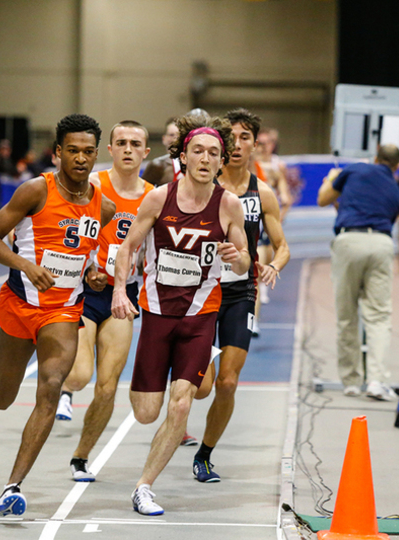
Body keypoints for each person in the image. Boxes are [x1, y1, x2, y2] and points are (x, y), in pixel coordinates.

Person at [110, 113, 249, 515]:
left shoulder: (229, 205)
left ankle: (144, 487)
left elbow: (243, 265)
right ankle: (200, 373)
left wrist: (234, 256)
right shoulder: (159, 198)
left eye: (214, 154)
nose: (206, 159)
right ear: (183, 156)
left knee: (182, 403)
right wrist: (121, 289)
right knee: (145, 412)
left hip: (200, 316)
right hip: (157, 314)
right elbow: (128, 248)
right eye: (198, 151)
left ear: (222, 161)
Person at [0, 114, 115, 517]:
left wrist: (92, 273)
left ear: (95, 156)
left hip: (62, 311)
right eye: (72, 150)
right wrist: (25, 265)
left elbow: (89, 255)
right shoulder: (34, 191)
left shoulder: (101, 207)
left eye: (88, 152)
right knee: (3, 398)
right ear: (58, 152)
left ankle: (12, 486)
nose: (80, 159)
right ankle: (8, 399)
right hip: (19, 307)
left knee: (52, 384)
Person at [190, 108, 290, 482]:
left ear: (255, 144)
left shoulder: (261, 193)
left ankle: (204, 455)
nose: (236, 144)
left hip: (239, 294)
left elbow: (282, 246)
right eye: (230, 137)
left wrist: (273, 266)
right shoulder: (199, 184)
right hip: (199, 292)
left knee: (227, 382)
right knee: (200, 386)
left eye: (245, 137)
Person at [54, 120, 155, 484]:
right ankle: (62, 389)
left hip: (123, 296)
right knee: (80, 375)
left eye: (136, 143)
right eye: (121, 143)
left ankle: (81, 456)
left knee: (108, 385)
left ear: (146, 152)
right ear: (109, 150)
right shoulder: (93, 185)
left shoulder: (154, 196)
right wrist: (86, 271)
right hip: (85, 291)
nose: (128, 149)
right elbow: (68, 235)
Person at [317, 145, 399, 401]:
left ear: (375, 158)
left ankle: (352, 382)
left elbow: (323, 199)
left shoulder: (354, 170)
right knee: (378, 317)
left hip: (349, 242)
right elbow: (383, 217)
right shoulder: (395, 188)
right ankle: (376, 381)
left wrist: (330, 180)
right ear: (396, 166)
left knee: (346, 315)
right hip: (381, 244)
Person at [252, 128, 292, 333]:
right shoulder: (245, 167)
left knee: (258, 269)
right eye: (260, 143)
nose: (263, 146)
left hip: (263, 224)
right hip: (248, 222)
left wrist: (276, 220)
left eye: (267, 143)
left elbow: (285, 199)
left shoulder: (277, 168)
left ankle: (254, 320)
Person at [142, 117, 182, 187]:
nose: (176, 139)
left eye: (179, 135)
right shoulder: (157, 165)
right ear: (164, 139)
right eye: (172, 135)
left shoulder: (192, 166)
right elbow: (142, 192)